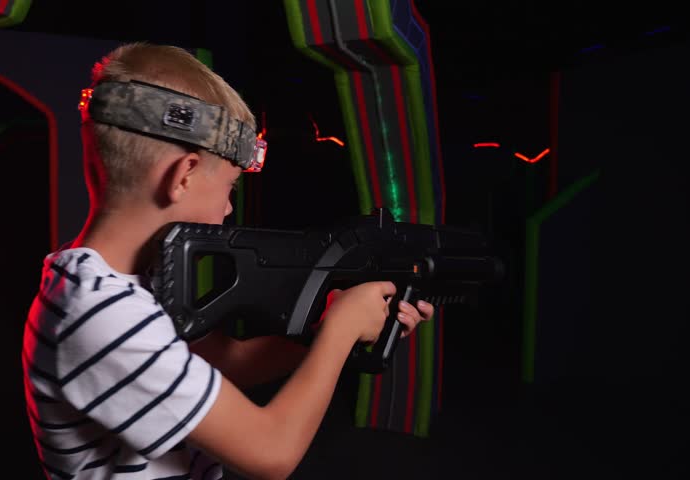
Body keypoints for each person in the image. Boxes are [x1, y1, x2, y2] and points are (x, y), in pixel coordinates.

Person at [22, 42, 434, 480]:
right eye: (230, 188)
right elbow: (271, 451)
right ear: (183, 176)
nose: (228, 210)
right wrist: (341, 331)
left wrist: (327, 331)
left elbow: (229, 362)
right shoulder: (101, 315)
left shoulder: (112, 287)